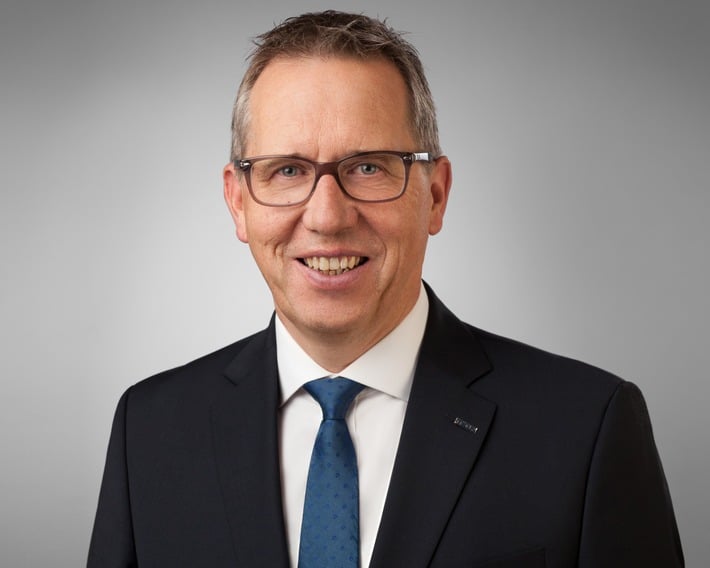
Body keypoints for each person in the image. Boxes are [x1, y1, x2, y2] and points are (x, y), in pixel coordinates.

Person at [88, 10, 683, 568]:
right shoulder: (150, 430)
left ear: (436, 194)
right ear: (238, 202)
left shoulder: (586, 428)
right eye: (287, 170)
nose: (327, 217)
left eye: (368, 166)